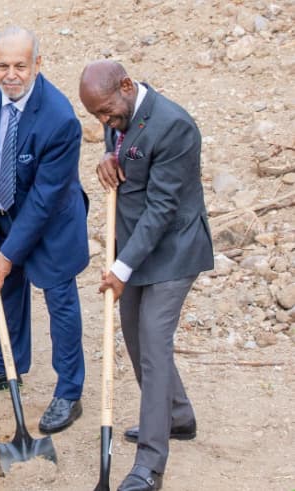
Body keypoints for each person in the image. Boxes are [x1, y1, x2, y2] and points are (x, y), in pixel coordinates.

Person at [79, 60, 214, 491]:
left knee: (154, 342)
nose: (104, 121)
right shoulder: (117, 111)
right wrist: (106, 155)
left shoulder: (175, 126)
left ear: (126, 85)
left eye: (106, 112)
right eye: (97, 117)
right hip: (136, 249)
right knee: (135, 338)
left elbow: (162, 210)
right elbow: (119, 143)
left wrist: (119, 267)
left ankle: (149, 466)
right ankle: (177, 417)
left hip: (173, 250)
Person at [0, 26, 90, 434]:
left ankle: (69, 392)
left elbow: (46, 199)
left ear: (37, 65)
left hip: (52, 223)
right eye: (3, 66)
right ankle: (5, 366)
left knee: (60, 302)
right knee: (4, 290)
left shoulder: (60, 119)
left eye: (20, 66)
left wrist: (10, 253)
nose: (10, 75)